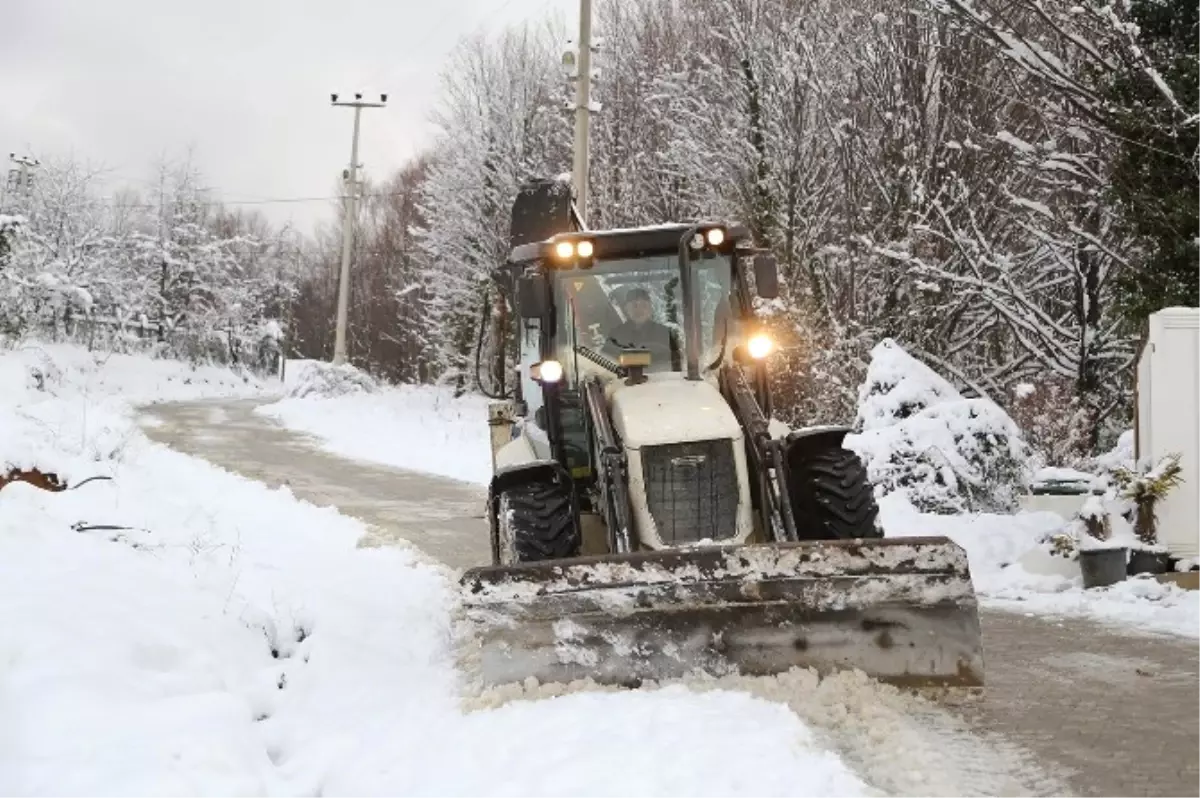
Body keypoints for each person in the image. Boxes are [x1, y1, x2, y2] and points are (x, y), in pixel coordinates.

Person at [607, 286, 680, 369]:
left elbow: (677, 363)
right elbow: (607, 363)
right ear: (626, 309)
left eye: (644, 305)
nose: (639, 310)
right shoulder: (615, 335)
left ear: (650, 309)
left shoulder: (664, 333)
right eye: (634, 305)